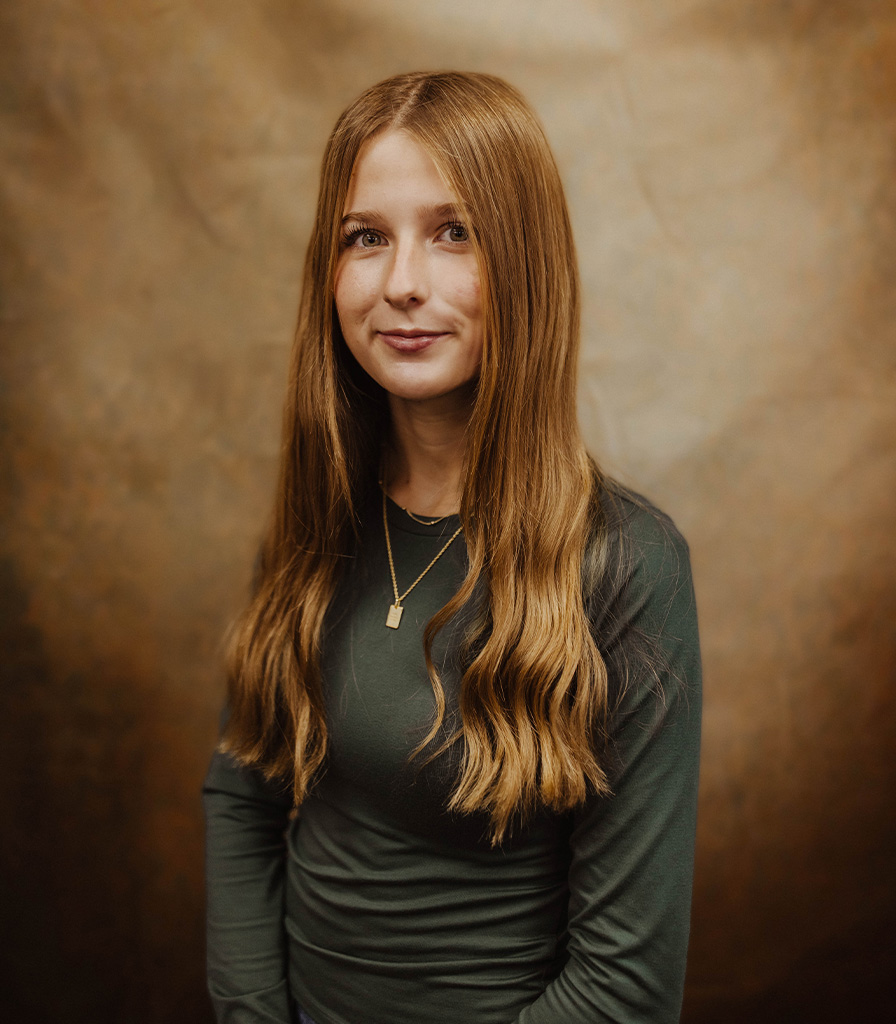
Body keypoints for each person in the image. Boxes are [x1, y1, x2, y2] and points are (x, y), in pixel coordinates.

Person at [203, 71, 701, 1024]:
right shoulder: (318, 520)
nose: (402, 283)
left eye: (453, 232)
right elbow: (243, 797)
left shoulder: (628, 564)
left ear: (523, 261)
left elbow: (624, 988)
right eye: (366, 238)